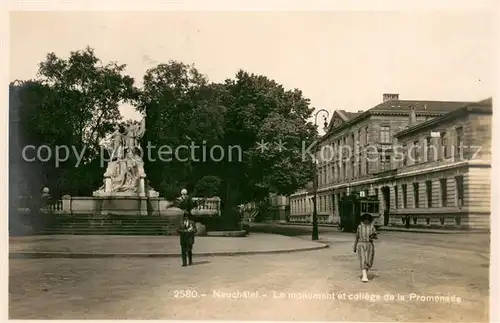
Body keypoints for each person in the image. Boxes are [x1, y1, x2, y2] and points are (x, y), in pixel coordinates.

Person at [353, 213, 378, 282]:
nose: (366, 221)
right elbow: (357, 237)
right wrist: (355, 246)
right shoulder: (359, 227)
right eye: (365, 220)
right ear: (363, 220)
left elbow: (376, 236)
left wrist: (373, 236)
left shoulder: (372, 227)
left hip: (370, 244)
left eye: (368, 220)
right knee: (363, 259)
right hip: (361, 244)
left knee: (369, 261)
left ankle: (365, 273)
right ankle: (364, 276)